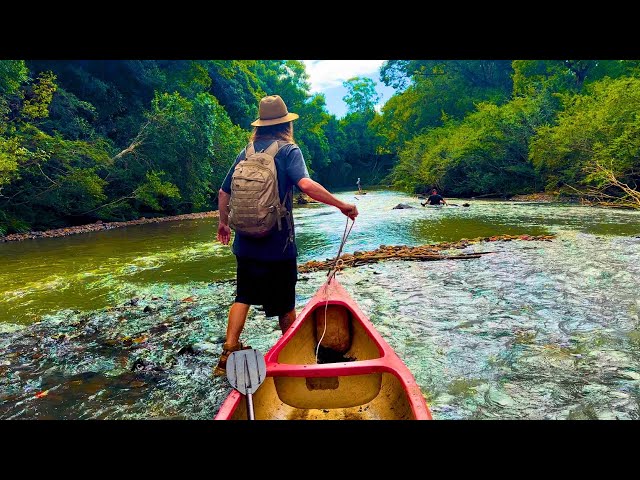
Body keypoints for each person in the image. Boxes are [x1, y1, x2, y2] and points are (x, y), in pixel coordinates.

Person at [214, 94, 359, 376]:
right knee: (285, 304)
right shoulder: (289, 150)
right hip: (278, 246)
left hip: (245, 242)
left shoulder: (245, 152)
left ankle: (228, 351)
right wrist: (342, 205)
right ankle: (291, 354)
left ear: (259, 125)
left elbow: (223, 192)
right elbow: (305, 184)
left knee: (242, 295)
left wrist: (224, 224)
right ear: (285, 123)